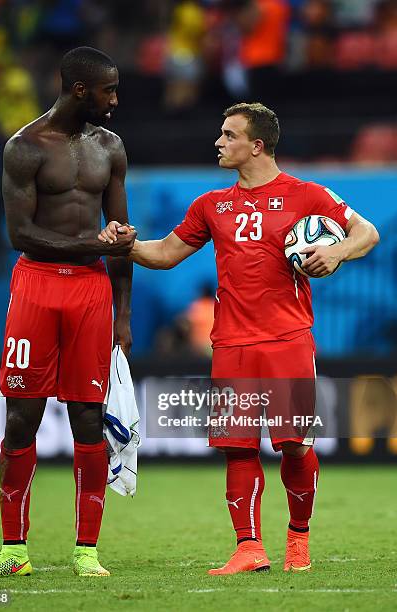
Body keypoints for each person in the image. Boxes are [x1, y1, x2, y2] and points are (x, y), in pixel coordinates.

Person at [99, 102, 379, 574]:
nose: (218, 142)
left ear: (257, 145)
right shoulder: (211, 205)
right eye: (221, 134)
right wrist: (125, 242)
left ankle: (298, 540)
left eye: (229, 135)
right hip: (230, 342)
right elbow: (165, 253)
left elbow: (366, 232)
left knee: (294, 445)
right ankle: (249, 548)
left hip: (288, 339)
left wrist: (337, 252)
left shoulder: (307, 195)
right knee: (238, 447)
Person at [0, 47, 136, 579]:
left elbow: (121, 238)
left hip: (90, 292)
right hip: (36, 286)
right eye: (108, 90)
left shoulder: (112, 148)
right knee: (23, 415)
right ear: (79, 89)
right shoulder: (25, 147)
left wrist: (123, 317)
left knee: (87, 414)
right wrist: (95, 244)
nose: (115, 100)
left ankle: (87, 552)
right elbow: (21, 234)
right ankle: (14, 550)